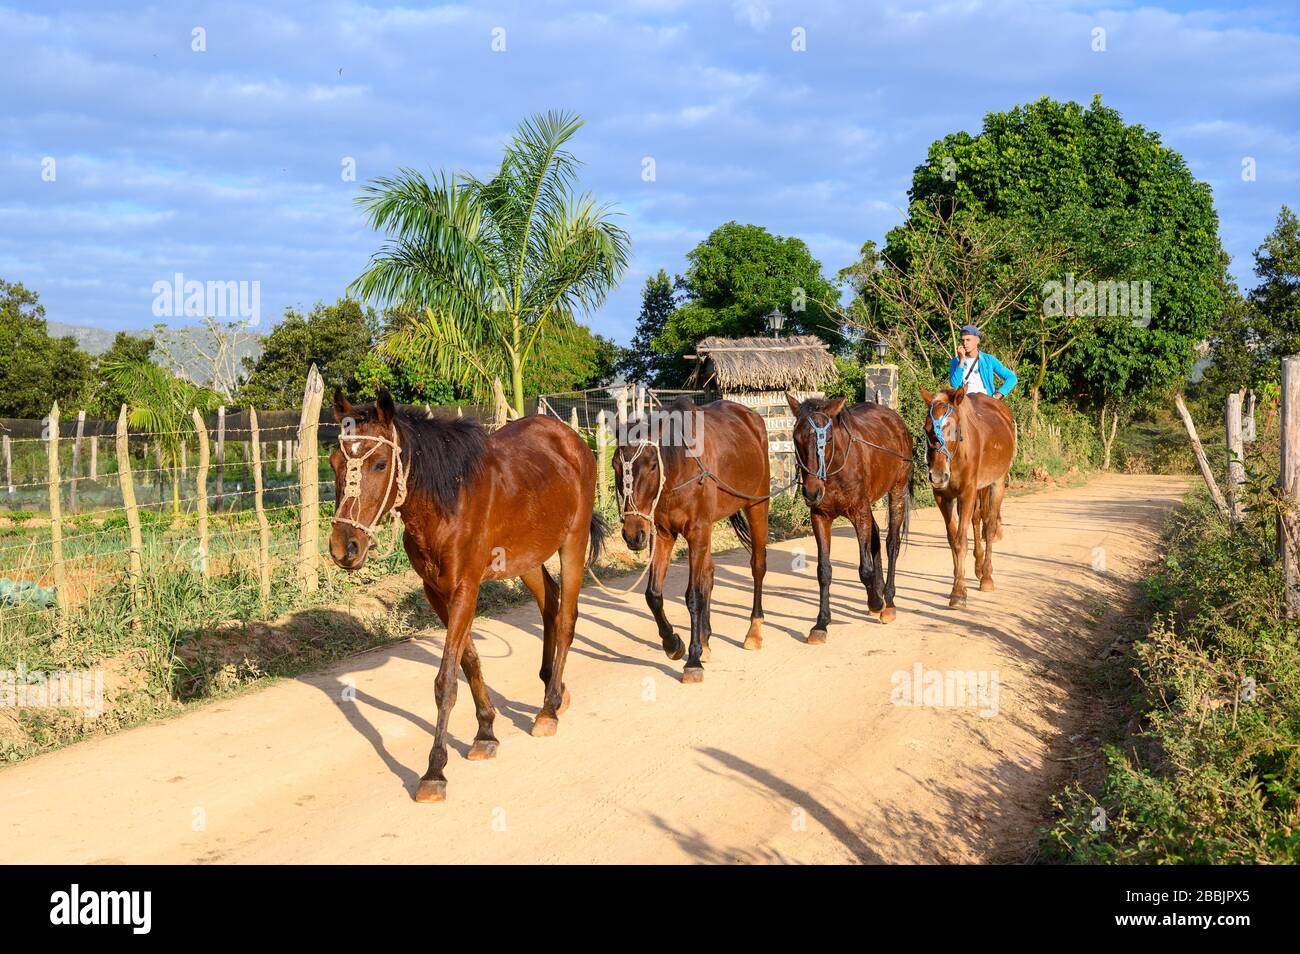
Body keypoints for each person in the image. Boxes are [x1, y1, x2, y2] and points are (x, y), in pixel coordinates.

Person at [949, 324, 1016, 399]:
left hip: (985, 402)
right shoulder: (956, 361)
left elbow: (1011, 377)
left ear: (977, 340)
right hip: (965, 402)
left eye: (968, 340)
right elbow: (954, 384)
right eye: (962, 340)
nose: (965, 343)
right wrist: (961, 360)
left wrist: (998, 395)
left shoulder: (988, 359)